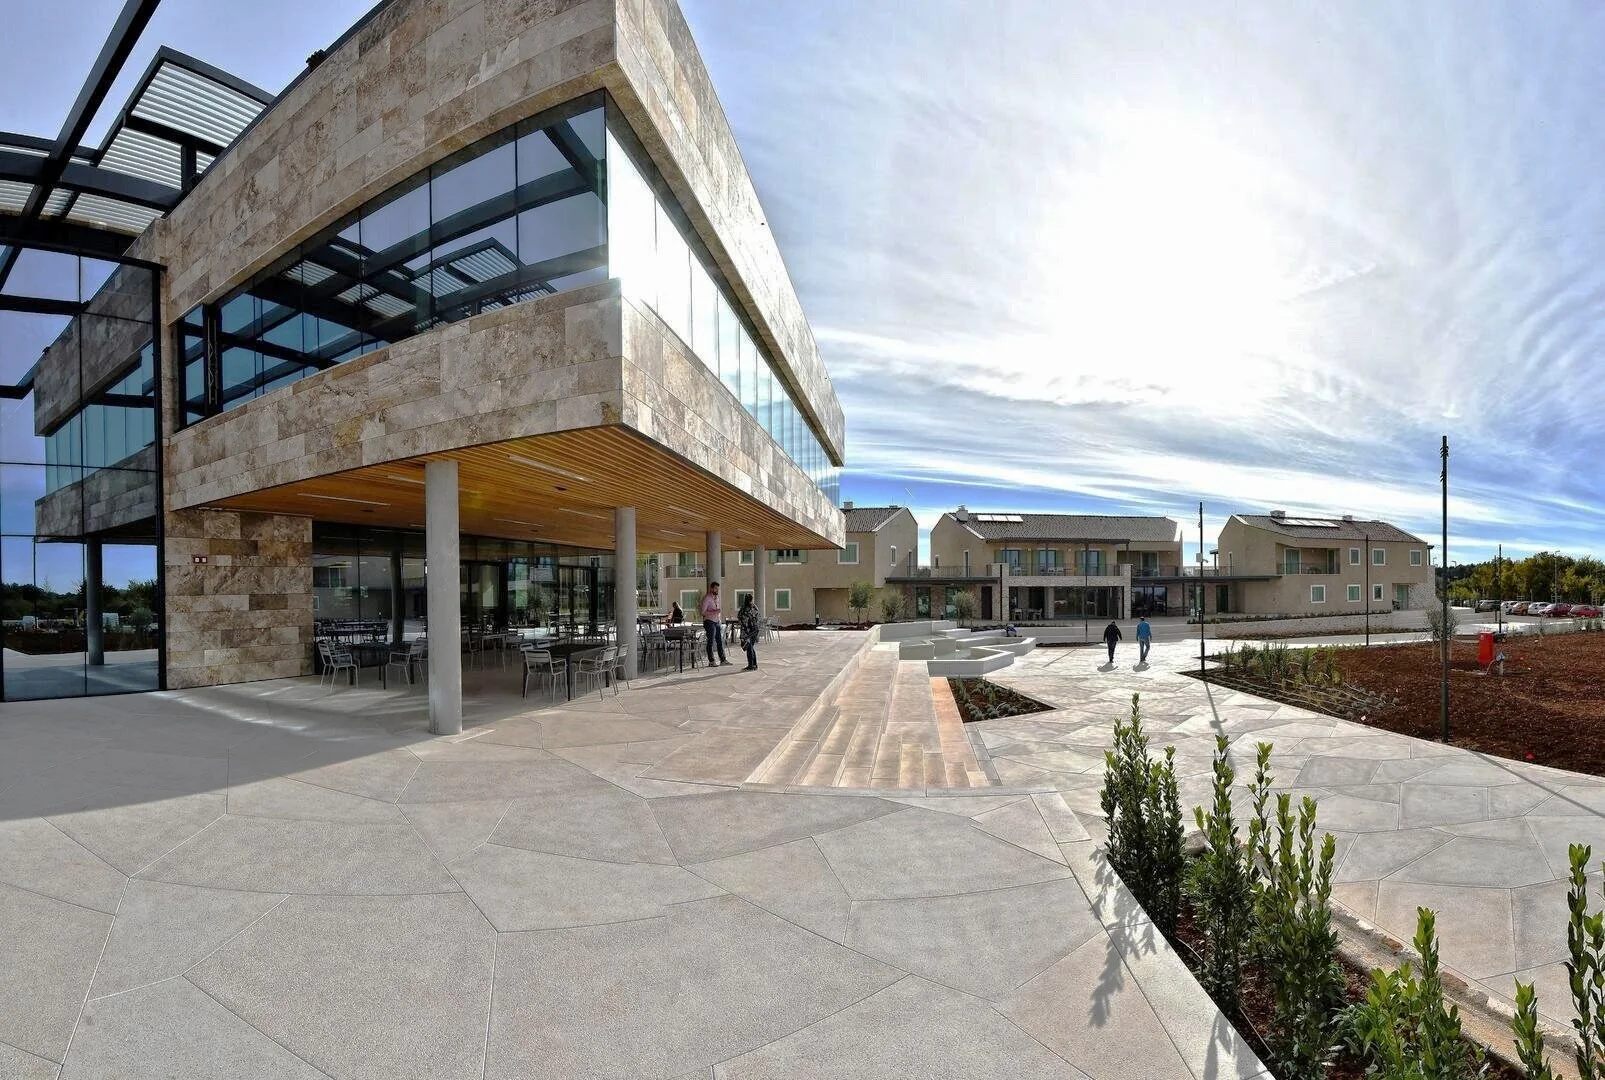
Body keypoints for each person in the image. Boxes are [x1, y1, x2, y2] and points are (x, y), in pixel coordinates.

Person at [700, 581, 730, 667]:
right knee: (710, 641)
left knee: (719, 640)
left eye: (718, 589)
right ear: (711, 588)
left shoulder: (717, 598)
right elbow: (703, 612)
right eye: (715, 588)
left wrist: (718, 617)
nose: (717, 590)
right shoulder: (707, 598)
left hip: (716, 621)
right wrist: (714, 612)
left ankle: (723, 660)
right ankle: (711, 661)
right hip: (709, 621)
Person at [738, 594, 761, 670]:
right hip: (755, 630)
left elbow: (741, 618)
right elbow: (758, 618)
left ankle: (751, 665)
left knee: (749, 647)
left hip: (747, 631)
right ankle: (754, 665)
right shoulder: (755, 607)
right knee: (751, 646)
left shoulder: (744, 608)